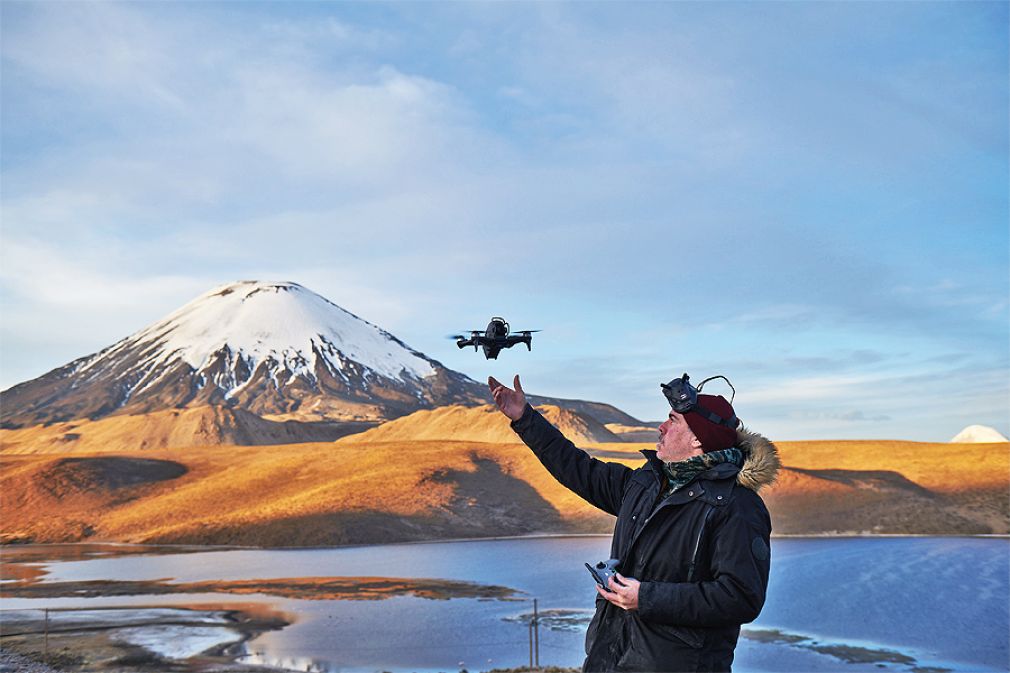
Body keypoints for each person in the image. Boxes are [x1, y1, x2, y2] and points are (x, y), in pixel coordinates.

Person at [488, 373, 779, 673]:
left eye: (673, 420)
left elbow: (740, 597)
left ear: (697, 438)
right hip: (608, 662)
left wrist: (646, 598)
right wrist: (524, 418)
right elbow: (578, 468)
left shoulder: (736, 506)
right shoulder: (646, 482)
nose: (661, 427)